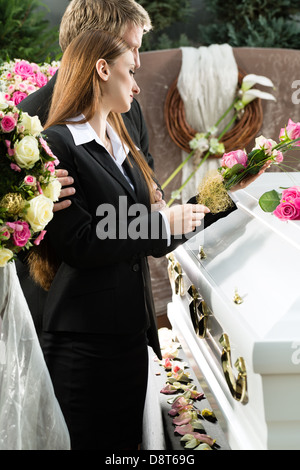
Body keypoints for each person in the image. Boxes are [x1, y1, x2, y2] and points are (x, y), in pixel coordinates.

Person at [28, 29, 211, 450]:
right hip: (84, 343)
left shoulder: (120, 141)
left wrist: (230, 194)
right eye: (130, 71)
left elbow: (147, 233)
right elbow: (83, 241)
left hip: (130, 335)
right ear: (102, 68)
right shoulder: (57, 145)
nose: (137, 83)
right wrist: (160, 223)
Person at [16, 0, 159, 337]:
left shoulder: (129, 109)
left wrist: (156, 201)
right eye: (131, 50)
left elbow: (148, 180)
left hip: (127, 310)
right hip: (60, 321)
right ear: (98, 51)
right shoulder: (29, 120)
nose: (137, 63)